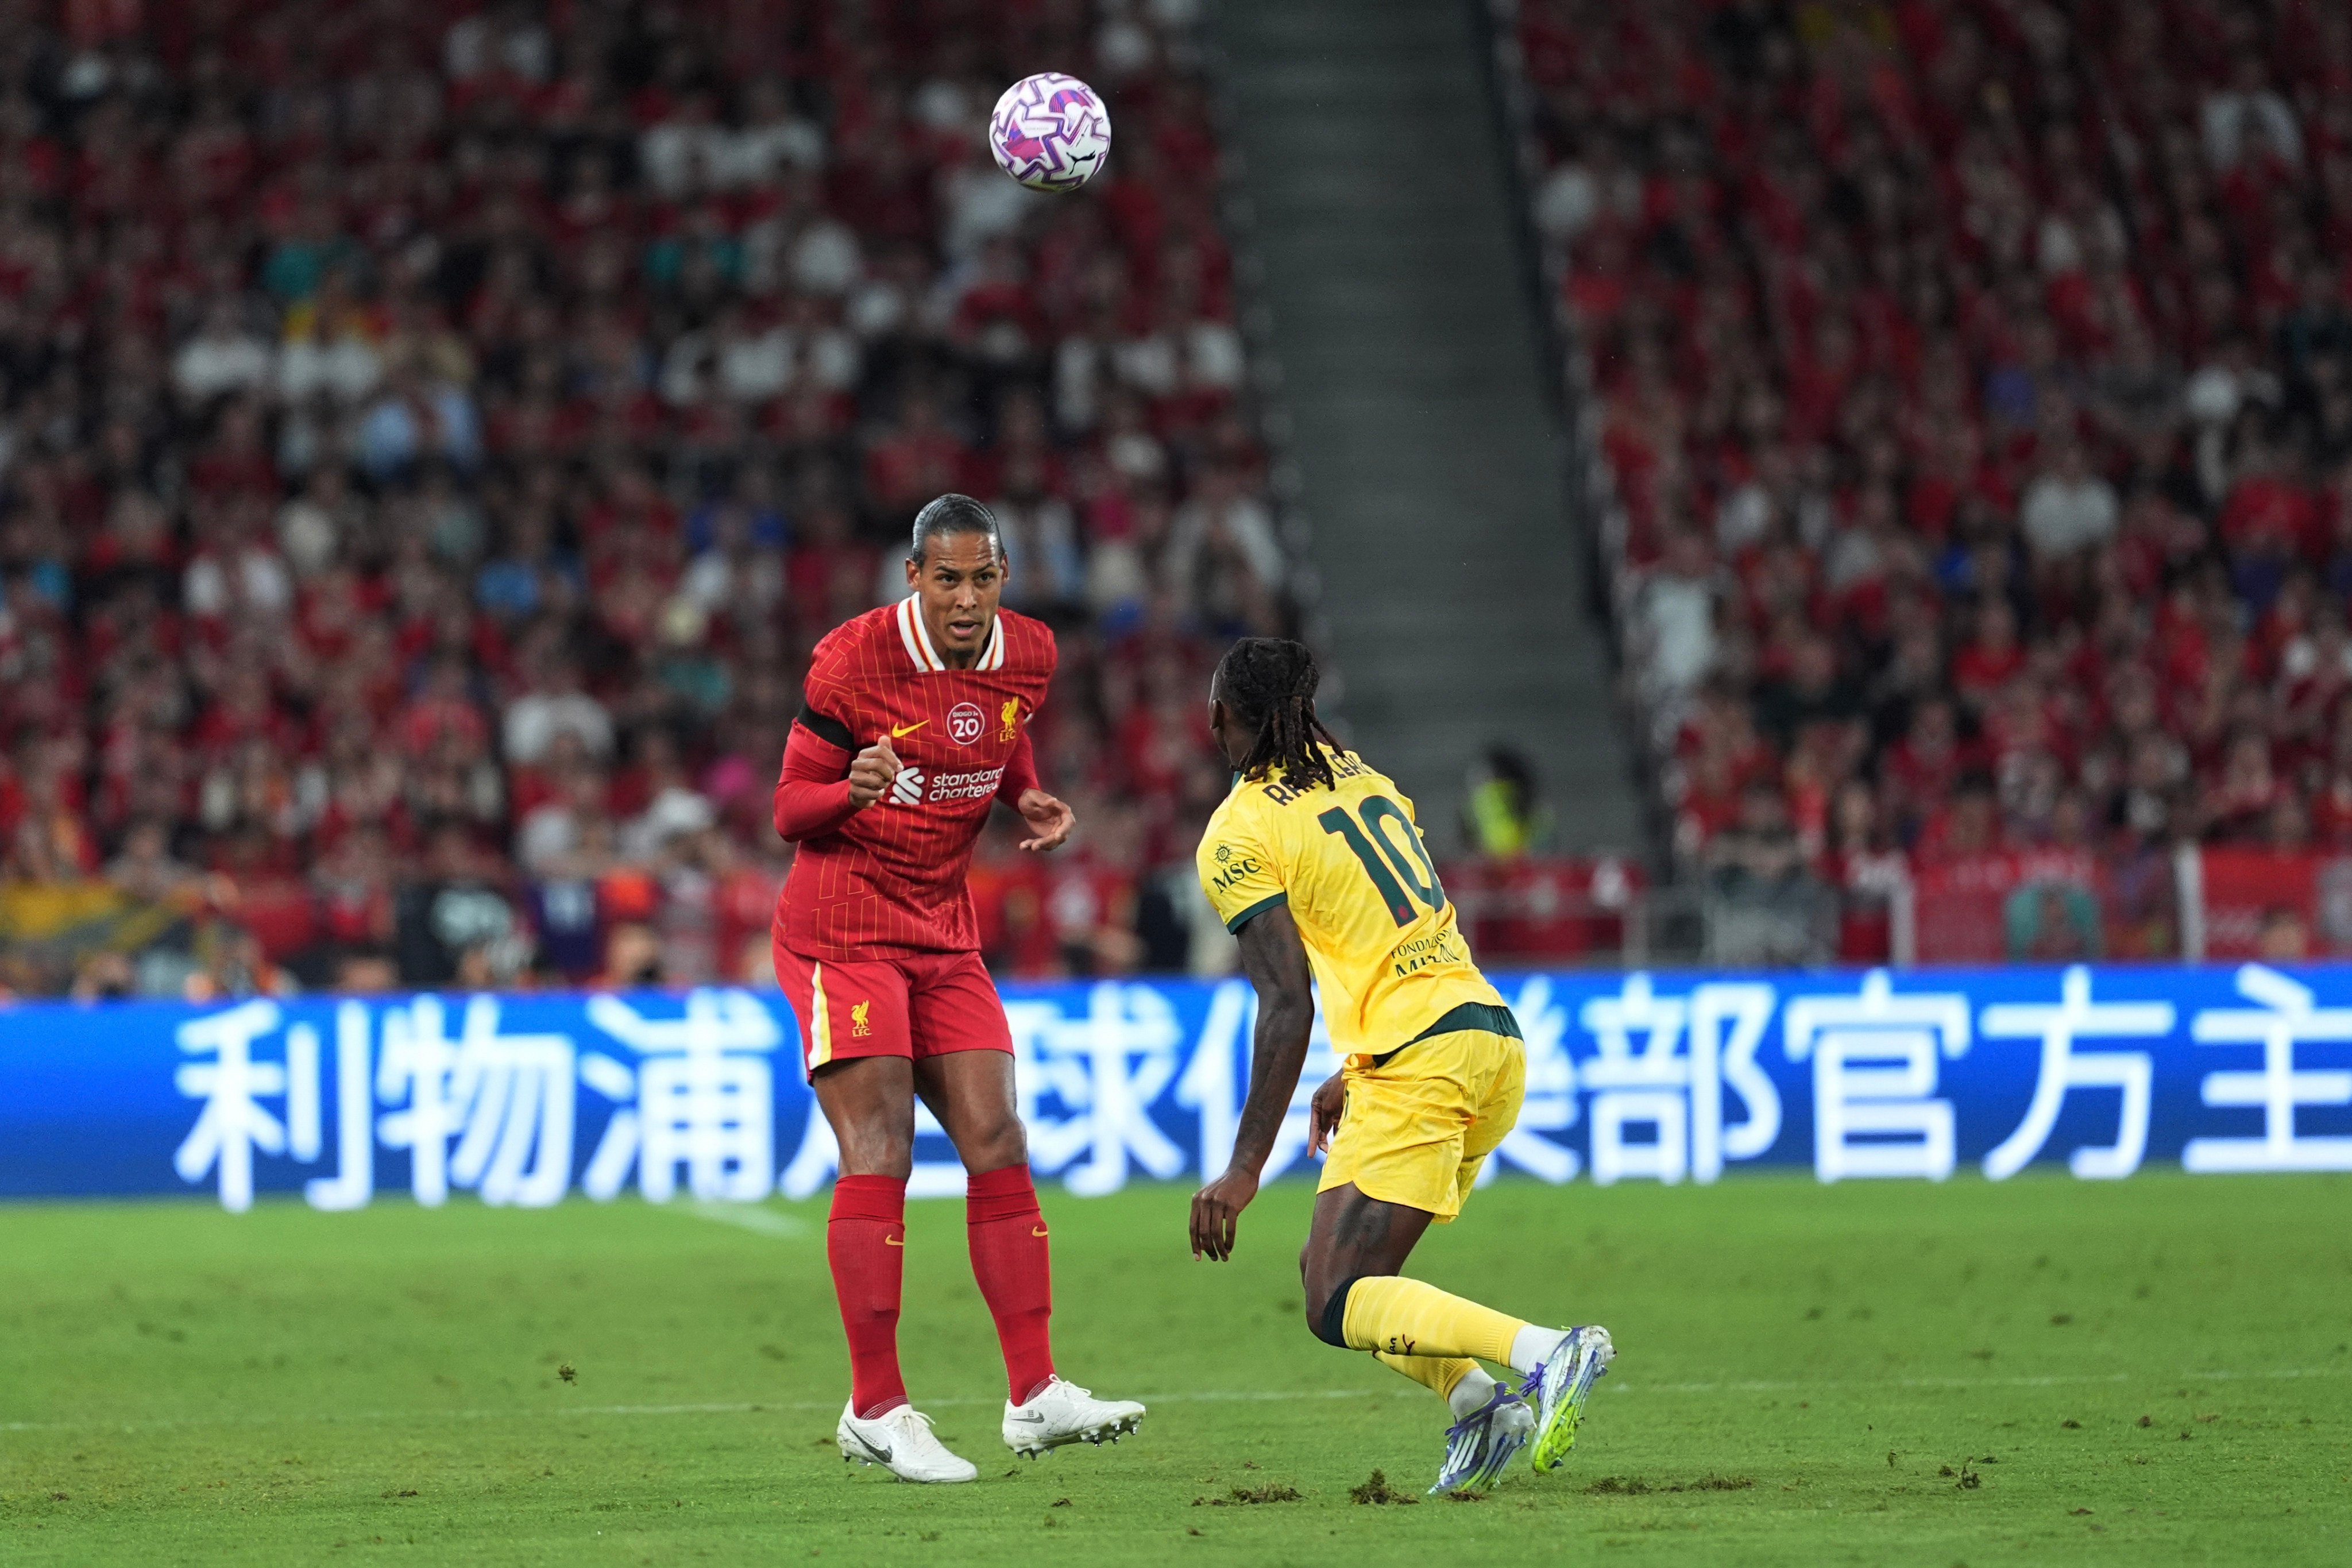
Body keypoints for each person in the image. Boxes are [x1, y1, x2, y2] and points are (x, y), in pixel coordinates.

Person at [771, 493, 1145, 1484]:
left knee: (997, 1136)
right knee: (881, 1143)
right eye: (948, 579)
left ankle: (1033, 1393)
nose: (967, 598)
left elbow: (999, 725)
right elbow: (787, 809)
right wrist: (846, 788)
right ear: (914, 578)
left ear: (1005, 577)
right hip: (842, 930)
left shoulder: (1031, 652)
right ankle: (876, 1406)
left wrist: (1022, 787)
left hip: (942, 927)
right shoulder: (851, 660)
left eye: (983, 578)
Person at [1187, 638, 1614, 1495]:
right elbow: (1390, 930)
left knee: (1335, 1299)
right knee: (1332, 1275)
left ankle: (1544, 1352)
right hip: (1483, 1035)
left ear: (1227, 719)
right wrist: (1353, 1068)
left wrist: (1241, 1169)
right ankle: (1477, 1405)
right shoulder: (1366, 780)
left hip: (1421, 1059)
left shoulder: (1238, 830)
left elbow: (1284, 1002)